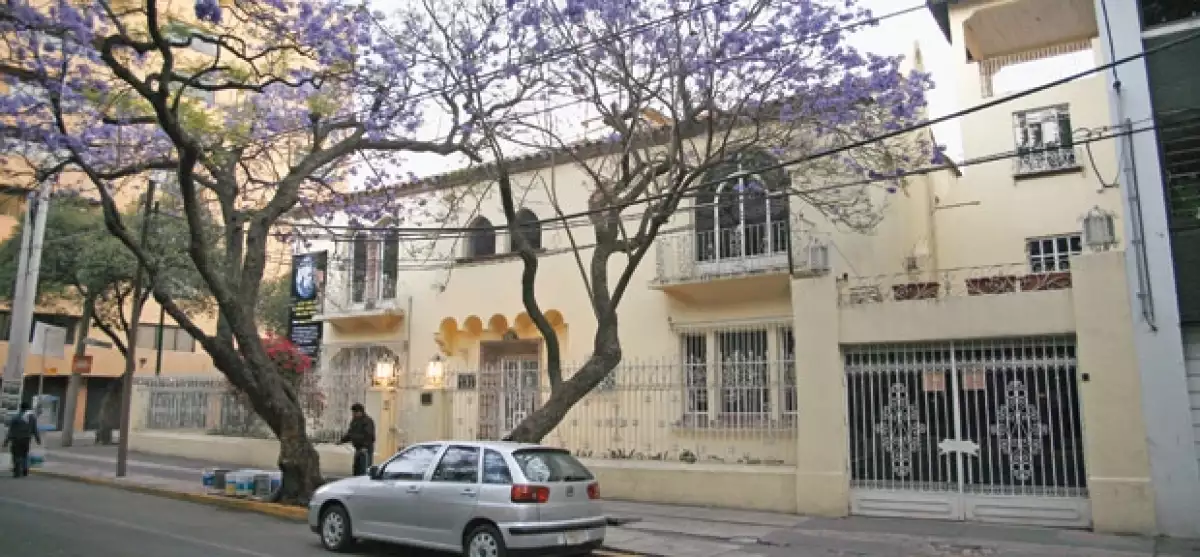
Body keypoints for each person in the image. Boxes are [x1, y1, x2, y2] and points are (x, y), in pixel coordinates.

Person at [3, 401, 41, 478]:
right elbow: (35, 429)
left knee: (16, 455)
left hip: (16, 439)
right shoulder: (32, 418)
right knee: (24, 454)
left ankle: (17, 471)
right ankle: (25, 469)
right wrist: (38, 439)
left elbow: (11, 430)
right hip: (26, 439)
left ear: (21, 408)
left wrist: (6, 441)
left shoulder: (16, 417)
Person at [338, 403, 375, 476]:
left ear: (360, 412)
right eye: (353, 412)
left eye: (355, 412)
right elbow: (351, 433)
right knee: (357, 468)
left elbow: (369, 436)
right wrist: (342, 440)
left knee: (364, 469)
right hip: (358, 448)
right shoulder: (354, 421)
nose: (353, 414)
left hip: (365, 450)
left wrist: (365, 446)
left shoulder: (367, 421)